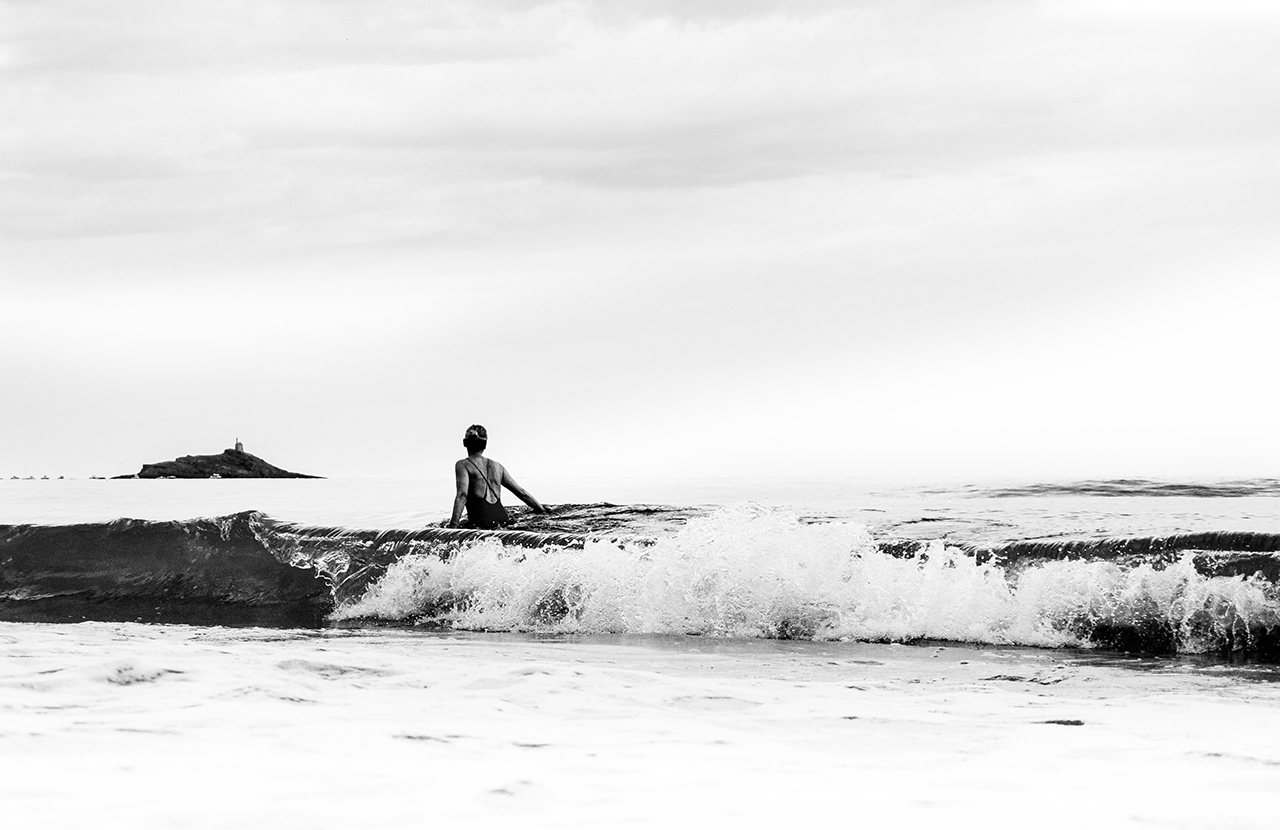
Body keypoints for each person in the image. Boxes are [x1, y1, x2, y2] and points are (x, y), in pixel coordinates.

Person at [447, 424, 548, 528]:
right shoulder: (498, 467)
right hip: (503, 520)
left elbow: (462, 495)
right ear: (485, 445)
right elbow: (522, 493)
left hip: (482, 523)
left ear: (465, 443)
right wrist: (543, 511)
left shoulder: (462, 465)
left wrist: (452, 527)